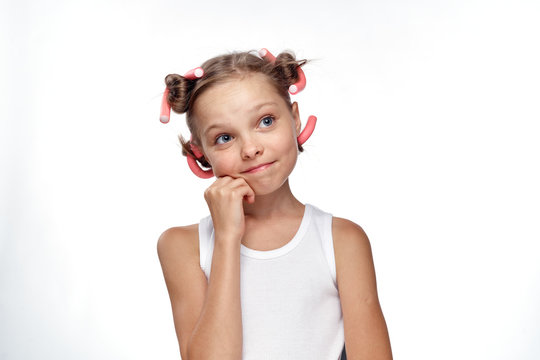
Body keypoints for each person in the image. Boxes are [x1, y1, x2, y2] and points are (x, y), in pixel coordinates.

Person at [156, 48, 393, 360]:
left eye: (266, 121)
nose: (251, 148)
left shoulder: (342, 241)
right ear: (200, 153)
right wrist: (227, 238)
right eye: (225, 138)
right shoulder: (184, 246)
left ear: (294, 120)